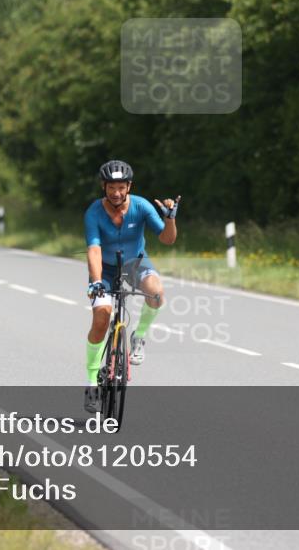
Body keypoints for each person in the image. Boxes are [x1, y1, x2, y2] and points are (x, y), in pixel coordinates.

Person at [82, 160, 179, 412]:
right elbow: (93, 249)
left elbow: (167, 240)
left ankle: (139, 336)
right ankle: (92, 382)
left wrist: (169, 220)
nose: (116, 192)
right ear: (104, 186)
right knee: (102, 317)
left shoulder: (141, 206)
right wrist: (95, 283)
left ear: (129, 187)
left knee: (157, 293)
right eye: (111, 187)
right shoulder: (94, 212)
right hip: (104, 268)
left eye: (121, 187)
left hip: (134, 263)